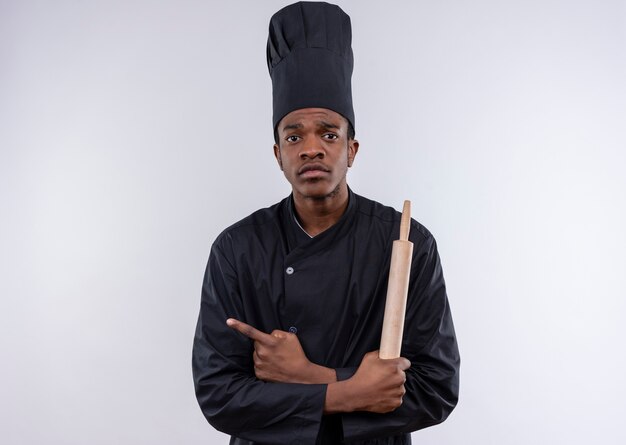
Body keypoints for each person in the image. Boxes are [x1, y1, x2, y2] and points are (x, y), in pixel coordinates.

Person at [192, 2, 460, 444]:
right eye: (293, 136)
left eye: (328, 133)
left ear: (352, 149)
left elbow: (437, 388)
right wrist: (348, 391)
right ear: (278, 154)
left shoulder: (406, 242)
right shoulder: (236, 249)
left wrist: (308, 375)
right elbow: (218, 395)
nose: (311, 148)